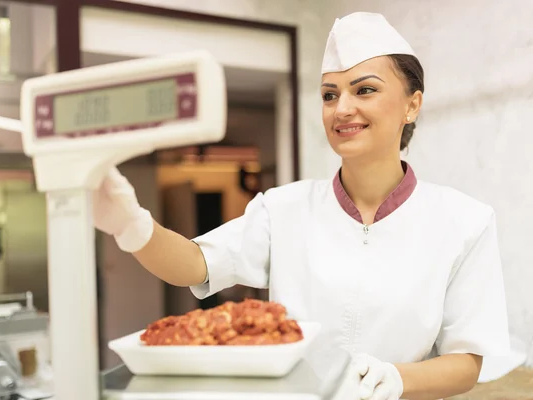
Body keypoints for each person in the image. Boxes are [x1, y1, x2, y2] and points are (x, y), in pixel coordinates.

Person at [93, 12, 510, 400]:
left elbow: (466, 363)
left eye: (365, 89)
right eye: (330, 95)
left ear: (412, 104)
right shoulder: (284, 208)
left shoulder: (464, 221)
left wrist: (398, 378)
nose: (342, 108)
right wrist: (131, 224)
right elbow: (195, 263)